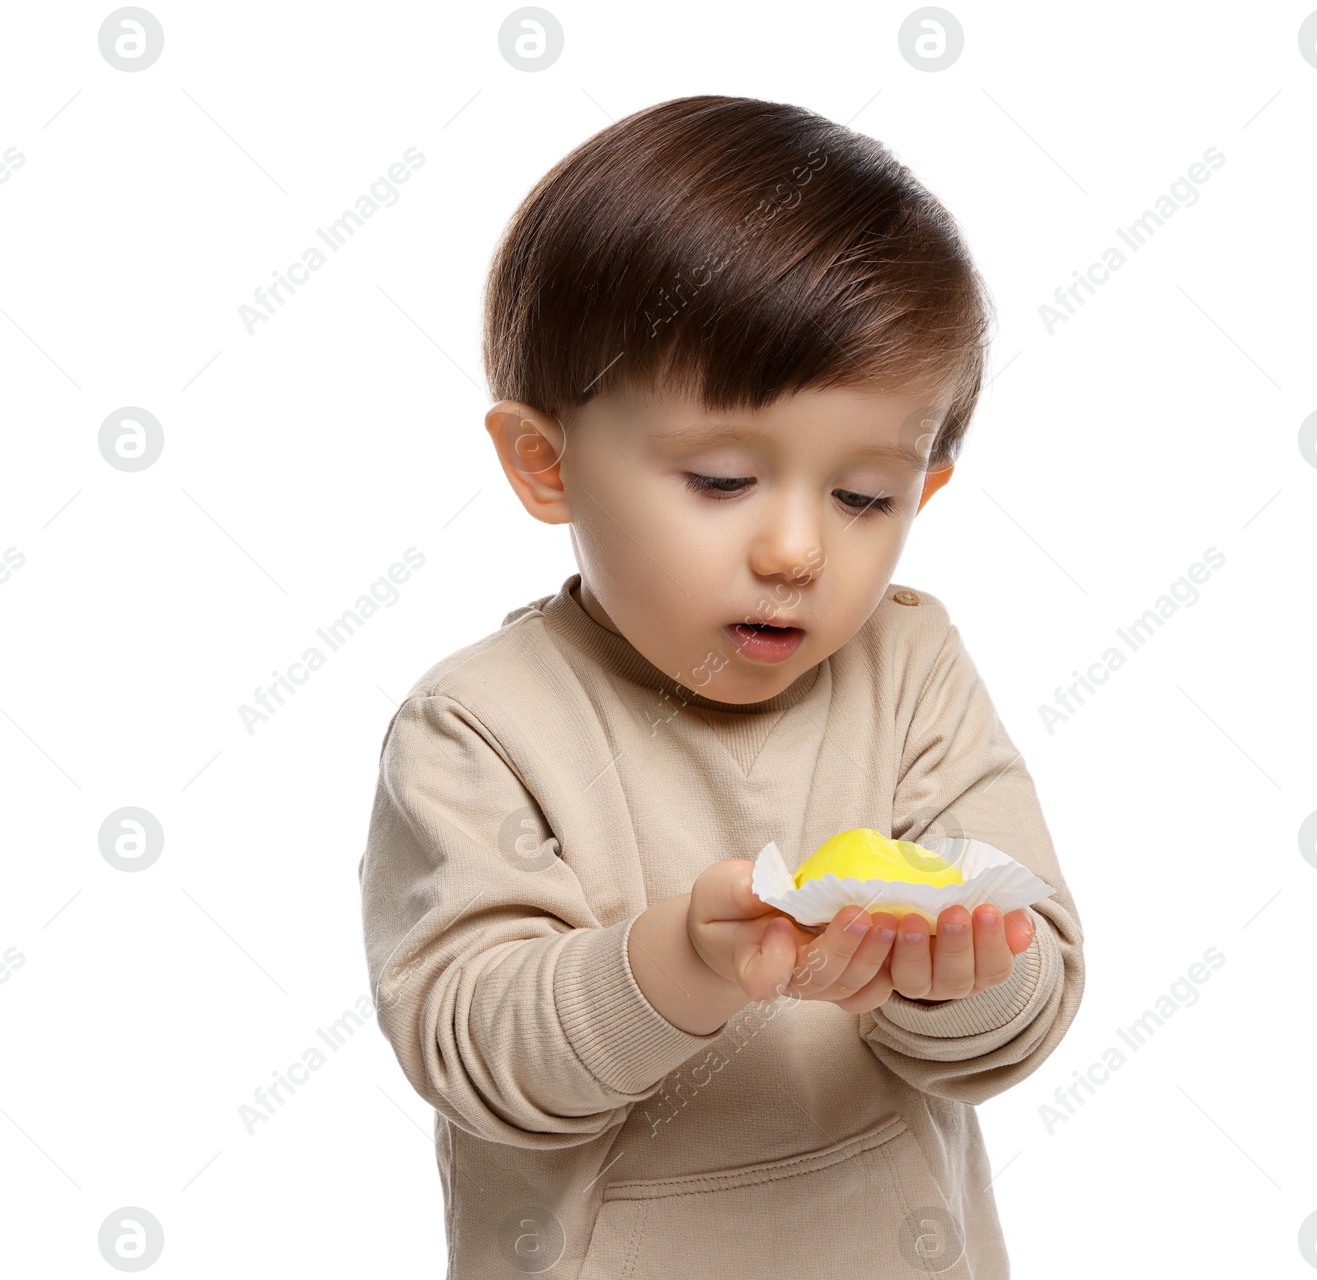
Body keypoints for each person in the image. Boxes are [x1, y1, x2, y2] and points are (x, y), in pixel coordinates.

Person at [358, 93, 1086, 1279]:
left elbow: (1036, 978)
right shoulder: (480, 727)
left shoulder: (909, 667)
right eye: (722, 477)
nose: (798, 550)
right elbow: (471, 1044)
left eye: (862, 497)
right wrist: (676, 969)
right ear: (545, 462)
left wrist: (962, 975)